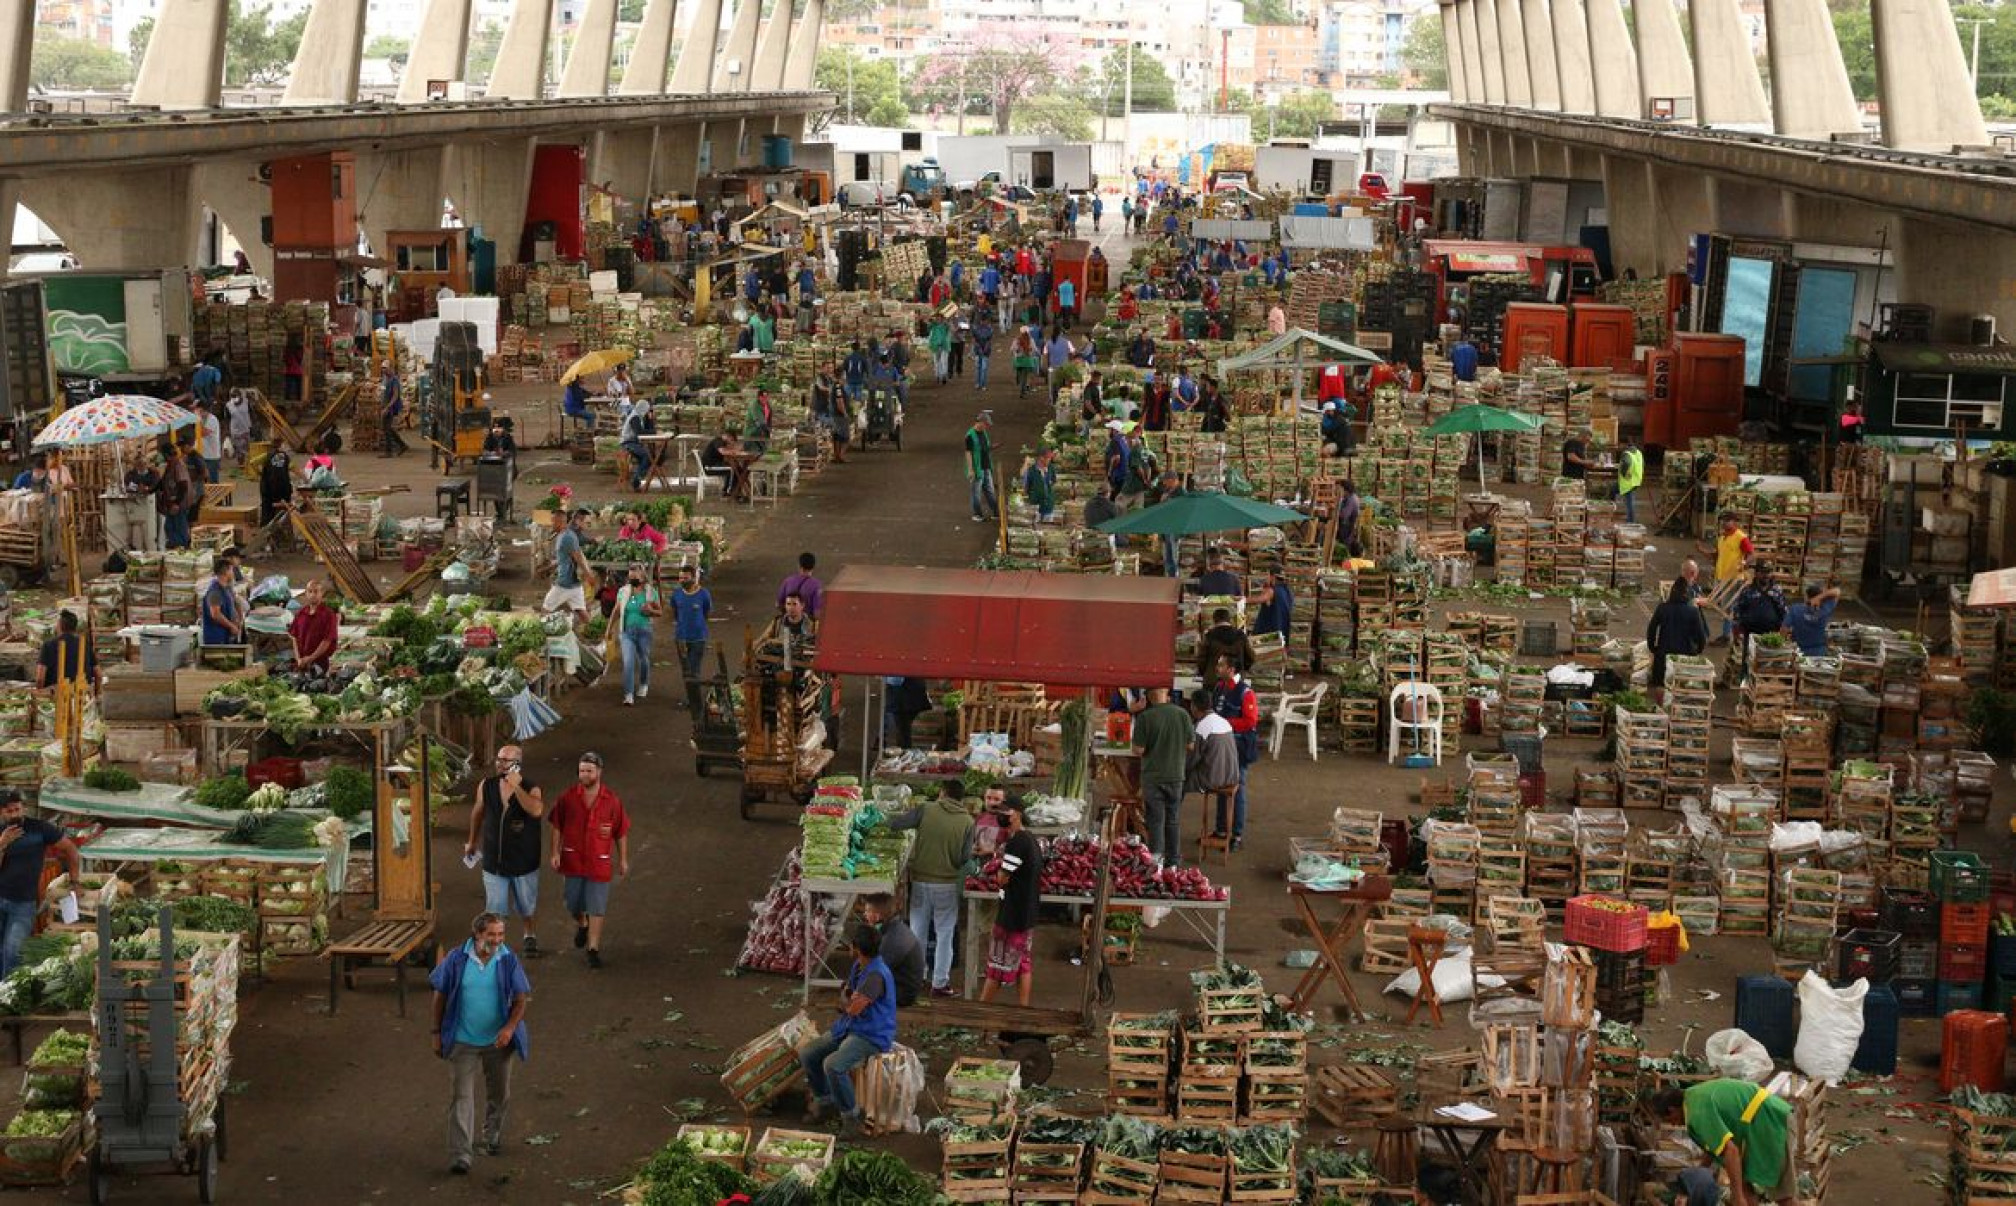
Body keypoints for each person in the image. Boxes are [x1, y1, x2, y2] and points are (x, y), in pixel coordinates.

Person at [428, 911, 532, 1176]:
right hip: (462, 1041)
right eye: (491, 935)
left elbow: (521, 999)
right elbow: (439, 996)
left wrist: (509, 1028)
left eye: (501, 935)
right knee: (461, 1096)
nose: (497, 940)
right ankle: (461, 1154)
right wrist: (436, 1032)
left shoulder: (507, 960)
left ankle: (492, 1132)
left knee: (499, 1093)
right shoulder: (455, 959)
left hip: (498, 1041)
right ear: (478, 934)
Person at [798, 923, 897, 1133]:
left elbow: (852, 1008)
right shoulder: (860, 966)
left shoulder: (875, 976)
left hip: (870, 1035)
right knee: (808, 1053)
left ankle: (851, 1117)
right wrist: (847, 998)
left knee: (833, 1065)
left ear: (855, 949)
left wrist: (844, 1001)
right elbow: (849, 998)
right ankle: (825, 1102)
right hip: (850, 1027)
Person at [547, 752, 629, 970]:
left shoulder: (612, 801)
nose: (584, 774)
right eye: (581, 770)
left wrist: (623, 859)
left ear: (599, 772)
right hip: (573, 861)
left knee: (597, 907)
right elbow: (556, 825)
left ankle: (593, 949)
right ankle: (581, 924)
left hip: (598, 863)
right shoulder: (567, 798)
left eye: (589, 771)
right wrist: (554, 852)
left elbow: (620, 832)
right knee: (572, 903)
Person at [1654, 1082, 1797, 1206]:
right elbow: (1712, 1146)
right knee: (1743, 1184)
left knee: (1783, 1196)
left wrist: (1737, 1197)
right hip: (1756, 1126)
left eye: (1669, 1119)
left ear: (1671, 1110)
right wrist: (1697, 1175)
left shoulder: (1697, 1112)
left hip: (1771, 1122)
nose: (1672, 1123)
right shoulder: (1692, 1098)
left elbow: (1731, 1151)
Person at [463, 747, 546, 956]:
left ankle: (529, 934)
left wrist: (516, 787)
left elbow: (536, 810)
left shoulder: (531, 787)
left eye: (505, 760)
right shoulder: (487, 785)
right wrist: (471, 841)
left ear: (517, 763)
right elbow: (477, 813)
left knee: (526, 906)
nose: (500, 764)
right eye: (498, 759)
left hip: (523, 862)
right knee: (495, 909)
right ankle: (495, 945)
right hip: (494, 861)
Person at [0, 790, 80, 977]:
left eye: (17, 810)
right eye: (9, 811)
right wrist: (2, 844)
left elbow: (71, 850)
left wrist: (75, 881)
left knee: (13, 951)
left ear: (23, 808)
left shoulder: (39, 828)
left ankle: (6, 995)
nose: (14, 815)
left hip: (24, 903)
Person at [978, 797, 1042, 1007]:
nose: (1002, 816)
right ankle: (1023, 1009)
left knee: (996, 965)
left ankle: (980, 1011)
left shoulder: (1017, 842)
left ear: (1017, 814)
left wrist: (996, 869)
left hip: (1011, 915)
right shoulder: (1031, 839)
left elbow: (1002, 878)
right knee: (1023, 963)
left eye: (1006, 812)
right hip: (1027, 913)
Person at [1132, 686, 1192, 865]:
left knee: (1156, 820)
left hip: (1153, 777)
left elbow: (1138, 750)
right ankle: (1173, 860)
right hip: (1175, 775)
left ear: (1149, 697)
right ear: (1166, 693)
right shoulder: (1182, 714)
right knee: (1173, 819)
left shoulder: (1145, 717)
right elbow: (1190, 746)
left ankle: (1156, 862)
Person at [1209, 655, 1261, 851]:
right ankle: (1221, 830)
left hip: (1240, 748)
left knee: (1236, 790)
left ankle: (1236, 835)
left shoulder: (1246, 693)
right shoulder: (1219, 688)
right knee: (1222, 786)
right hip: (1223, 746)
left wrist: (1224, 724)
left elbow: (1250, 721)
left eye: (1221, 664)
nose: (1217, 667)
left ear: (1231, 669)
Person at [1645, 577, 1709, 701]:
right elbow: (1701, 636)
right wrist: (1697, 651)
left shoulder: (1663, 608)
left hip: (1663, 653)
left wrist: (1652, 647)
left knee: (1660, 684)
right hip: (1685, 656)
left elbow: (1651, 629)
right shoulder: (1693, 611)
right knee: (1682, 688)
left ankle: (1661, 707)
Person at [859, 893, 924, 1006]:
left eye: (868, 911)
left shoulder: (891, 939)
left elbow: (875, 972)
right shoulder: (894, 927)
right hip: (900, 985)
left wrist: (858, 996)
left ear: (877, 916)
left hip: (903, 994)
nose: (865, 914)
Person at [612, 564, 663, 706]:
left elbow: (660, 612)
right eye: (630, 576)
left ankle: (644, 683)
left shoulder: (651, 593)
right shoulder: (623, 592)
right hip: (626, 632)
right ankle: (628, 695)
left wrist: (650, 611)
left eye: (635, 576)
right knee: (628, 662)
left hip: (644, 631)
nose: (632, 578)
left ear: (642, 577)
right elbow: (616, 611)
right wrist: (609, 629)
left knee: (643, 659)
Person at [1729, 565, 1788, 681]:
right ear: (1756, 574)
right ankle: (1745, 687)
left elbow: (1783, 610)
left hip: (1771, 634)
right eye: (1762, 572)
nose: (1765, 575)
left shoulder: (1776, 590)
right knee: (1748, 661)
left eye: (1768, 572)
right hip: (1750, 633)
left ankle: (1762, 687)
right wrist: (1737, 628)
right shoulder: (1747, 590)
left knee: (1768, 663)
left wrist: (1784, 629)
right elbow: (1737, 609)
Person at [670, 565, 712, 712]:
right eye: (680, 578)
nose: (682, 580)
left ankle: (693, 700)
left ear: (693, 578)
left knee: (694, 669)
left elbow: (706, 612)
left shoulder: (704, 594)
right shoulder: (676, 595)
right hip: (681, 638)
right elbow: (675, 613)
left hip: (698, 638)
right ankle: (692, 697)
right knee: (686, 671)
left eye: (685, 578)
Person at [544, 509, 595, 623]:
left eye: (552, 521)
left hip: (564, 583)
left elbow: (578, 556)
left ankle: (545, 637)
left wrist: (588, 575)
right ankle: (597, 635)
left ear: (560, 522)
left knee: (545, 610)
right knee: (582, 612)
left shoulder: (566, 537)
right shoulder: (566, 534)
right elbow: (568, 557)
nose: (551, 524)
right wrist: (552, 565)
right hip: (574, 585)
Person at [1712, 514, 1755, 644]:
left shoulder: (1741, 537)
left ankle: (1727, 636)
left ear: (1735, 522)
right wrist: (1702, 551)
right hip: (1722, 577)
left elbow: (1751, 554)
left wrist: (1744, 564)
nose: (1724, 523)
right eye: (1723, 521)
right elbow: (1717, 555)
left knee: (1728, 607)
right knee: (1727, 607)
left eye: (1727, 521)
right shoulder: (1722, 537)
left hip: (1734, 579)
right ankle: (1731, 635)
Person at [35, 611, 98, 695]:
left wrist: (40, 695)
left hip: (58, 695)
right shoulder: (84, 644)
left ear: (59, 626)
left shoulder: (48, 645)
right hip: (83, 695)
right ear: (75, 627)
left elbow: (40, 678)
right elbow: (98, 674)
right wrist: (97, 693)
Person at [288, 579, 339, 672]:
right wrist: (298, 658)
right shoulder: (301, 613)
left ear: (322, 593)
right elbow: (294, 637)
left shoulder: (328, 614)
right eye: (310, 591)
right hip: (301, 663)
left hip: (320, 663)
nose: (312, 595)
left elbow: (327, 640)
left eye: (316, 591)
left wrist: (311, 658)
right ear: (306, 593)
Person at [200, 549, 245, 646]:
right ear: (226, 571)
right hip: (216, 638)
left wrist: (239, 618)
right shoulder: (214, 592)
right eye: (231, 570)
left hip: (226, 636)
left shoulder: (227, 588)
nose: (233, 573)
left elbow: (235, 602)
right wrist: (231, 626)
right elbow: (215, 614)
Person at [1784, 584, 1842, 657]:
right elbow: (1837, 591)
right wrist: (1819, 598)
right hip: (1819, 652)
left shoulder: (1795, 609)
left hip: (1798, 651)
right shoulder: (1825, 609)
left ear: (1806, 596)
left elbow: (1784, 629)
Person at [158, 439, 195, 549]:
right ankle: (177, 547)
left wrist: (177, 504)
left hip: (179, 503)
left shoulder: (178, 465)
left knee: (179, 527)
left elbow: (183, 485)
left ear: (166, 455)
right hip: (172, 503)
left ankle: (182, 548)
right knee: (170, 527)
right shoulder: (170, 465)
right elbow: (163, 482)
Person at [1199, 608, 1253, 679]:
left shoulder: (1209, 636)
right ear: (1229, 620)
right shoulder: (1241, 635)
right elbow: (1251, 657)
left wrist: (1205, 673)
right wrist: (1241, 669)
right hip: (1236, 680)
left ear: (1214, 620)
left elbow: (1201, 659)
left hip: (1213, 681)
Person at [965, 411, 998, 522]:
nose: (987, 426)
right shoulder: (970, 435)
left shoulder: (983, 433)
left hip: (986, 466)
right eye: (986, 424)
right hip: (977, 468)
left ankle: (996, 512)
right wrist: (971, 470)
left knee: (990, 490)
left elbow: (985, 447)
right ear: (981, 422)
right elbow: (968, 453)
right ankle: (977, 514)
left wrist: (992, 447)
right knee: (976, 493)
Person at [618, 395, 654, 490]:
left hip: (634, 442)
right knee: (647, 456)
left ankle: (637, 479)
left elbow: (647, 429)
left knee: (647, 457)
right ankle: (636, 480)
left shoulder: (639, 416)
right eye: (647, 409)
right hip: (628, 443)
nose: (648, 411)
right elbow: (640, 432)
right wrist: (655, 432)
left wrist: (650, 419)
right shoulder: (635, 417)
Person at [702, 430, 748, 502]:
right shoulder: (718, 441)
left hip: (715, 465)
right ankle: (727, 492)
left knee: (740, 469)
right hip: (710, 467)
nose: (731, 442)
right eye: (731, 440)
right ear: (728, 436)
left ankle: (736, 491)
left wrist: (733, 450)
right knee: (732, 469)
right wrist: (734, 451)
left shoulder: (722, 442)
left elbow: (725, 458)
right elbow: (723, 451)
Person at [1251, 567, 1293, 638]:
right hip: (1282, 630)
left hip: (1269, 631)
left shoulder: (1272, 590)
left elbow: (1260, 599)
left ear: (1272, 577)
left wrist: (1242, 599)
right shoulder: (1288, 592)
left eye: (1267, 575)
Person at [779, 552, 823, 618]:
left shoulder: (788, 581)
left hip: (788, 622)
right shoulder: (816, 585)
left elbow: (778, 604)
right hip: (805, 622)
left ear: (799, 566)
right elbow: (816, 611)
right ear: (813, 567)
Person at [379, 361, 409, 457]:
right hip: (384, 405)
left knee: (387, 428)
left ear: (391, 368)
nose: (383, 370)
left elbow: (395, 395)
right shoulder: (385, 379)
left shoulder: (394, 380)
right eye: (382, 368)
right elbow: (383, 392)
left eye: (385, 368)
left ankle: (389, 451)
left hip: (390, 407)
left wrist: (387, 407)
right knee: (387, 428)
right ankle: (402, 445)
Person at [258, 449, 293, 528]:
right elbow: (292, 467)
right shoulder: (285, 456)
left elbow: (252, 462)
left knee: (267, 510)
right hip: (283, 487)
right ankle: (283, 528)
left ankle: (267, 528)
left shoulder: (266, 455)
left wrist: (259, 473)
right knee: (284, 511)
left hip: (268, 487)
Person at [1023, 446, 1059, 522]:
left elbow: (1053, 481)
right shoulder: (1031, 471)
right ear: (1041, 458)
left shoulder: (1051, 468)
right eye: (1048, 458)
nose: (1049, 460)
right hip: (1035, 506)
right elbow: (1026, 488)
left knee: (1047, 527)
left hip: (1048, 506)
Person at [1617, 438, 1645, 522]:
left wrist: (1624, 473)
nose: (1619, 447)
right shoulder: (1638, 452)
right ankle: (1612, 510)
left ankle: (1631, 521)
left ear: (1624, 444)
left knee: (1630, 502)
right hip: (1636, 480)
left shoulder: (1627, 453)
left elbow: (1626, 463)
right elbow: (1643, 464)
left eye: (1620, 445)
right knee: (1613, 489)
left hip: (1628, 482)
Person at [198, 403, 224, 481]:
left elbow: (204, 433)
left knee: (212, 479)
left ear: (204, 411)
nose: (199, 413)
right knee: (205, 479)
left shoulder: (212, 419)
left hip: (212, 455)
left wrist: (198, 421)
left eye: (200, 411)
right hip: (204, 454)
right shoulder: (202, 420)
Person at [226, 390, 252, 463]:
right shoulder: (228, 405)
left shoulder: (246, 402)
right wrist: (227, 431)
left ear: (240, 396)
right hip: (235, 432)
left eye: (235, 396)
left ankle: (246, 465)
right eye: (232, 396)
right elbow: (227, 418)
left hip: (246, 430)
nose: (234, 398)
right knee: (239, 451)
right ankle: (241, 465)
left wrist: (252, 426)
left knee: (247, 449)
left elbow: (251, 413)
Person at [971, 313, 995, 390]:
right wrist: (979, 347)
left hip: (986, 351)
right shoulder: (975, 328)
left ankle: (983, 385)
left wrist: (985, 348)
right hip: (978, 350)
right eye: (982, 321)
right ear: (980, 321)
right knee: (978, 367)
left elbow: (989, 340)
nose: (983, 322)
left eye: (985, 321)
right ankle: (978, 384)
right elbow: (974, 340)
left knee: (984, 368)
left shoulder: (990, 329)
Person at [927, 315, 952, 385]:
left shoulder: (946, 325)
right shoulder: (933, 325)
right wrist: (930, 321)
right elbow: (928, 328)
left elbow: (950, 329)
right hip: (936, 346)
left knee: (943, 361)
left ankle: (943, 376)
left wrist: (947, 322)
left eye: (940, 317)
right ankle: (938, 376)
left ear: (942, 318)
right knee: (937, 362)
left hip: (944, 346)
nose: (938, 319)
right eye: (937, 317)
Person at [283, 337, 305, 402]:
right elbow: (301, 359)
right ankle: (299, 398)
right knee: (299, 386)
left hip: (290, 371)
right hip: (298, 371)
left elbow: (287, 361)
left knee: (288, 386)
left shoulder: (288, 352)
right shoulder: (300, 351)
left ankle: (287, 399)